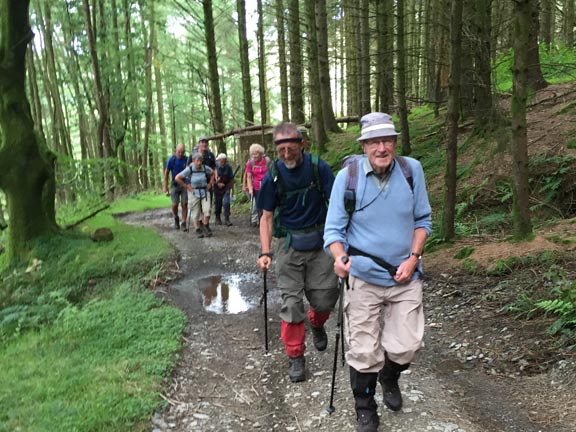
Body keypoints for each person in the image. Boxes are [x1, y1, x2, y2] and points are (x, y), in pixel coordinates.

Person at [323, 112, 432, 432]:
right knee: (363, 349)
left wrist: (413, 259)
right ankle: (365, 406)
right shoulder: (348, 177)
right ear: (364, 145)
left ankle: (390, 376)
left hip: (405, 275)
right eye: (374, 141)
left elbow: (423, 221)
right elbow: (333, 231)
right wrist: (340, 257)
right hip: (363, 277)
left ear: (395, 142)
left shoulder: (412, 171)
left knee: (407, 346)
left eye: (387, 140)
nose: (381, 147)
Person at [256, 122, 338, 383]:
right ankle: (296, 357)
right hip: (288, 245)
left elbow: (336, 205)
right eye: (282, 151)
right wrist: (266, 251)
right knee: (291, 303)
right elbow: (266, 217)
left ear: (302, 144)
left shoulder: (318, 168)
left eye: (292, 149)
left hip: (321, 241)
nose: (287, 155)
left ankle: (316, 323)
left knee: (325, 299)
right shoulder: (272, 175)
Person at [176, 152, 214, 238]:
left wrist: (210, 183)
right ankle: (198, 229)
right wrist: (186, 186)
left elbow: (212, 173)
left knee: (207, 210)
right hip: (193, 192)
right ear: (193, 161)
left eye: (200, 160)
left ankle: (205, 226)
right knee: (195, 212)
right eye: (197, 161)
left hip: (205, 191)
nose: (199, 162)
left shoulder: (205, 168)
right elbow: (177, 178)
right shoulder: (190, 169)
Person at [164, 144, 189, 231]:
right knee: (175, 204)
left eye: (182, 152)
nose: (180, 154)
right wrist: (165, 187)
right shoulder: (172, 160)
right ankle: (176, 217)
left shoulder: (187, 160)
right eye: (179, 152)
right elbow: (166, 173)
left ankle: (183, 223)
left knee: (184, 204)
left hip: (184, 184)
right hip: (174, 184)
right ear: (175, 151)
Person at [245, 143, 269, 227]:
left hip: (267, 186)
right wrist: (250, 189)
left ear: (261, 153)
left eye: (256, 154)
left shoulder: (267, 161)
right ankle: (261, 224)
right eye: (253, 154)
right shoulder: (250, 163)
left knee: (267, 205)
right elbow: (249, 176)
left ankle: (267, 222)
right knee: (259, 206)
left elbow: (272, 173)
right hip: (257, 187)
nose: (254, 156)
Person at [214, 153, 235, 226]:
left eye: (224, 161)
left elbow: (231, 178)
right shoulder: (215, 167)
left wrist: (232, 190)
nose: (223, 162)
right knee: (218, 202)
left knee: (226, 202)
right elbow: (212, 178)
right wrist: (217, 183)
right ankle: (217, 217)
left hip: (226, 186)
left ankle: (227, 218)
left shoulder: (228, 167)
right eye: (221, 161)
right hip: (217, 187)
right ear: (218, 160)